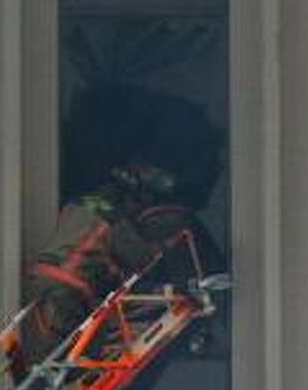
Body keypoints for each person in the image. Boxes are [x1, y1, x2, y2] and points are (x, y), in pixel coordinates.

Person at [15, 161, 189, 378]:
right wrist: (164, 254)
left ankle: (38, 388)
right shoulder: (115, 219)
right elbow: (139, 260)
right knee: (80, 358)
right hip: (69, 288)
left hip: (43, 276)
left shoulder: (78, 203)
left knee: (46, 354)